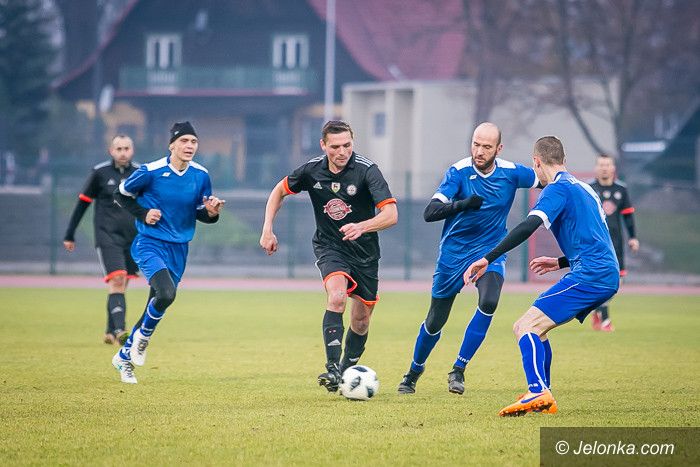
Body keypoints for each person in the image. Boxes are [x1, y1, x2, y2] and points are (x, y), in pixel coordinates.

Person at [465, 136, 619, 416]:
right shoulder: (584, 188)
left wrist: (488, 258)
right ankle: (543, 397)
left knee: (524, 326)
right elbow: (598, 239)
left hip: (591, 274)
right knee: (540, 328)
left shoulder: (556, 189)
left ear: (536, 162)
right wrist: (560, 261)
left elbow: (528, 226)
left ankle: (537, 390)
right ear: (563, 160)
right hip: (602, 271)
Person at [397, 122, 538, 395]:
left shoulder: (511, 173)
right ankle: (414, 371)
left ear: (499, 149)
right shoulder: (458, 172)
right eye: (476, 144)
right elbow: (430, 212)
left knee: (489, 301)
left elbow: (547, 177)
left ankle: (458, 369)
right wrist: (462, 204)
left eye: (486, 146)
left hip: (490, 250)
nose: (479, 151)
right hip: (454, 253)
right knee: (435, 321)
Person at [260, 120, 398, 393]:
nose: (342, 151)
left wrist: (362, 226)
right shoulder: (311, 170)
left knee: (361, 321)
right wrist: (267, 229)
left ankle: (345, 370)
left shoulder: (367, 171)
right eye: (335, 147)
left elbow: (391, 215)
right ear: (323, 145)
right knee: (336, 297)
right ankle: (333, 367)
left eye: (347, 145)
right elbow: (279, 190)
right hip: (330, 247)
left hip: (365, 254)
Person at [111, 122, 225, 384]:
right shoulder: (150, 171)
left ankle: (124, 356)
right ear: (171, 145)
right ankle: (142, 339)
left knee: (158, 302)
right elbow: (120, 195)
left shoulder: (201, 175)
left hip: (179, 249)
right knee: (166, 293)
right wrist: (143, 213)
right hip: (149, 243)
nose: (189, 146)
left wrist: (211, 213)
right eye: (184, 141)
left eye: (193, 141)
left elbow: (199, 213)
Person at [63, 135, 140, 345]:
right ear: (111, 151)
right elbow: (82, 204)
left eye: (126, 148)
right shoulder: (100, 173)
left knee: (121, 284)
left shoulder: (140, 174)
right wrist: (70, 233)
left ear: (132, 150)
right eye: (118, 149)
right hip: (107, 235)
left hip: (133, 238)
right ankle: (120, 330)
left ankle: (109, 330)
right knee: (117, 279)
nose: (122, 152)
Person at [589, 154, 639, 332]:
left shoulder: (621, 189)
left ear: (613, 168)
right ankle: (605, 319)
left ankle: (596, 309)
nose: (604, 168)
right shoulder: (588, 189)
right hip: (594, 244)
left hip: (616, 244)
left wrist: (632, 237)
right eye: (601, 165)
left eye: (607, 165)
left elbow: (628, 216)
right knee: (600, 280)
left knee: (617, 281)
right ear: (596, 168)